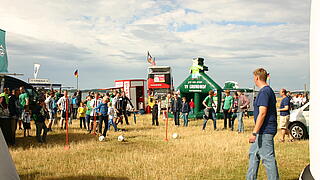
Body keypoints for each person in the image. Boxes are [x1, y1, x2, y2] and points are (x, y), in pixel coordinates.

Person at [247, 68, 279, 180]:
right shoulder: (268, 90)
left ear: (256, 78)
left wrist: (254, 132)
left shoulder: (264, 92)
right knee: (253, 154)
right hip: (263, 130)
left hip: (264, 130)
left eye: (254, 78)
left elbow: (262, 113)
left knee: (268, 159)